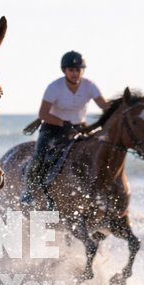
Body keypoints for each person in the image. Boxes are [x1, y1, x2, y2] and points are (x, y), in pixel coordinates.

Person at [22, 50, 109, 208]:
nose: (75, 73)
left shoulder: (90, 86)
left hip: (80, 129)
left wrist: (123, 106)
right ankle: (30, 190)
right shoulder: (54, 87)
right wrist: (63, 124)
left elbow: (105, 106)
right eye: (71, 70)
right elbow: (43, 114)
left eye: (78, 70)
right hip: (53, 128)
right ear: (64, 70)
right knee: (40, 156)